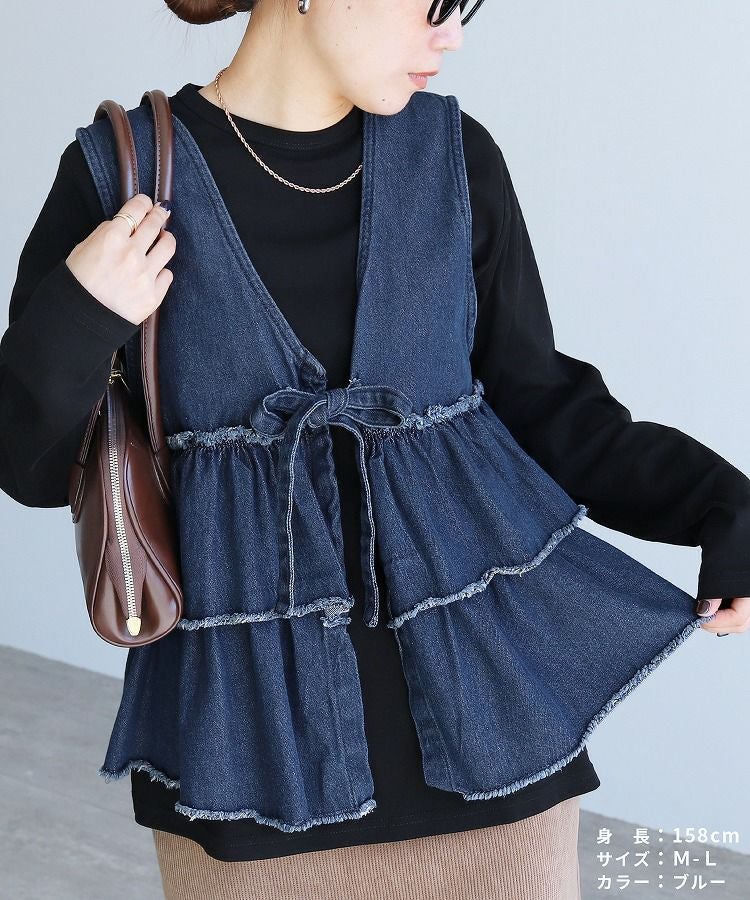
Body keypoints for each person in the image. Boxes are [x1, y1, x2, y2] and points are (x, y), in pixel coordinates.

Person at [2, 0, 748, 897]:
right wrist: (81, 314)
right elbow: (31, 469)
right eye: (434, 3)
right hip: (253, 759)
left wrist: (725, 507)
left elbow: (545, 405)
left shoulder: (455, 159)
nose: (451, 36)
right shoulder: (121, 177)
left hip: (490, 736)